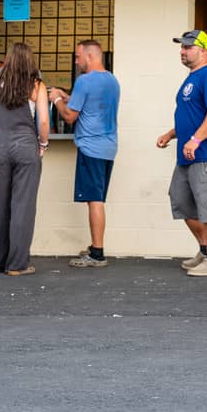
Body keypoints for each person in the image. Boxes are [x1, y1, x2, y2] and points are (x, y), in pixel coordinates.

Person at [156, 29, 207, 277]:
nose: (182, 51)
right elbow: (192, 117)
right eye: (182, 47)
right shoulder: (191, 79)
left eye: (187, 47)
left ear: (203, 50)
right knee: (182, 202)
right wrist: (171, 134)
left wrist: (196, 139)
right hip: (187, 155)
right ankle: (204, 249)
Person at [0, 43, 50, 276]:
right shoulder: (37, 85)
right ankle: (17, 264)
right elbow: (44, 122)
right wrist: (43, 144)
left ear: (8, 61)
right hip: (26, 147)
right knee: (22, 206)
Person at [48, 40, 121, 268]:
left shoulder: (84, 81)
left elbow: (70, 117)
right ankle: (95, 247)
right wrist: (67, 96)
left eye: (78, 57)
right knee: (97, 198)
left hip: (91, 147)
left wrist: (57, 99)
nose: (76, 61)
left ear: (90, 56)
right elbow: (89, 104)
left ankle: (97, 253)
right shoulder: (112, 80)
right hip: (108, 146)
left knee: (94, 200)